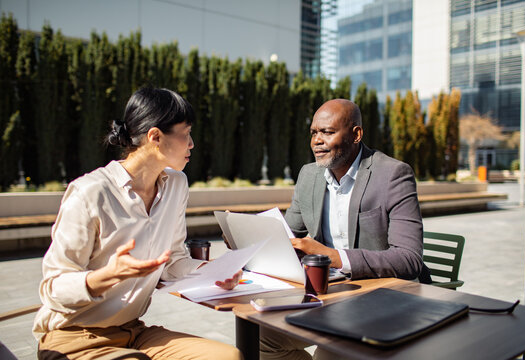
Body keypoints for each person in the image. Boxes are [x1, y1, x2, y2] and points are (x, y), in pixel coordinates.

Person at [33, 87, 243, 360]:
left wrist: (213, 270)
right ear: (155, 137)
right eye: (186, 133)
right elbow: (53, 288)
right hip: (74, 337)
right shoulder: (90, 192)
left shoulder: (176, 185)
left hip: (134, 332)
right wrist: (109, 274)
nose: (192, 143)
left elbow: (173, 262)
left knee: (228, 357)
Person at [260, 98, 430, 360]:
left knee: (330, 353)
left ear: (356, 134)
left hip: (382, 297)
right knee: (261, 338)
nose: (317, 140)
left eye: (327, 132)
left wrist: (333, 256)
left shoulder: (393, 175)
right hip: (329, 294)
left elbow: (409, 259)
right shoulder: (309, 175)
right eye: (314, 133)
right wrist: (253, 240)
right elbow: (290, 233)